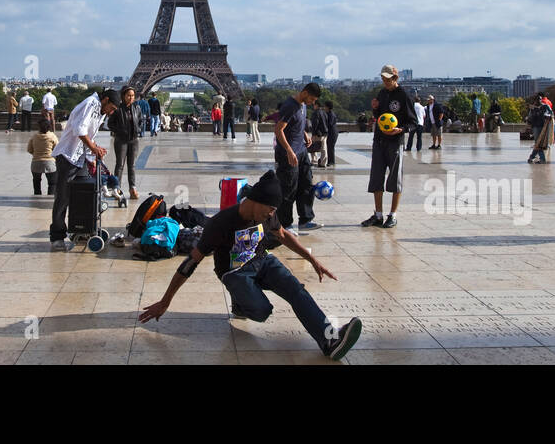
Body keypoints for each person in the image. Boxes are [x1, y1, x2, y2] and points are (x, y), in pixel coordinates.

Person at [139, 170, 363, 360]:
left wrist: (312, 259)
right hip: (234, 272)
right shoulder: (220, 223)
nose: (272, 214)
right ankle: (240, 303)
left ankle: (329, 341)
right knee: (262, 311)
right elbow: (191, 262)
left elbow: (283, 235)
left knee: (296, 290)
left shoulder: (267, 214)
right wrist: (165, 301)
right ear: (256, 202)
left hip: (262, 260)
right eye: (270, 209)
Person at [48, 89, 120, 250]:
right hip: (67, 156)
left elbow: (89, 136)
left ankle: (81, 229)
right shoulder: (90, 104)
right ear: (105, 100)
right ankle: (57, 236)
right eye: (112, 108)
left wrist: (93, 154)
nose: (112, 112)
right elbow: (79, 130)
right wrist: (93, 149)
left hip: (80, 158)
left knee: (83, 195)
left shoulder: (100, 110)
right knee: (63, 198)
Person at [362, 65, 413, 228]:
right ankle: (378, 214)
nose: (385, 82)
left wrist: (401, 130)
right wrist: (375, 109)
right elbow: (379, 116)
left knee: (395, 178)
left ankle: (393, 214)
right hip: (379, 141)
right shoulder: (382, 93)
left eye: (388, 79)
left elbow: (414, 122)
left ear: (395, 78)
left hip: (395, 142)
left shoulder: (404, 95)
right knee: (376, 177)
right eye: (383, 79)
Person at [272, 83, 322, 233]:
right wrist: (288, 151)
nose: (312, 102)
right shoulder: (290, 106)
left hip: (301, 151)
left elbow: (297, 124)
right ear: (305, 93)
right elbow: (278, 130)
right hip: (289, 154)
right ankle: (285, 224)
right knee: (288, 189)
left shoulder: (302, 104)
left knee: (306, 185)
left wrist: (305, 134)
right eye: (312, 99)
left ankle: (305, 219)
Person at [108, 87, 141, 200]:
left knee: (132, 166)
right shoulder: (117, 109)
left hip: (134, 140)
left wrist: (138, 130)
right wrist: (119, 131)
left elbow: (140, 121)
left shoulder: (137, 107)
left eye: (132, 95)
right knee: (120, 165)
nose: (131, 97)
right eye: (128, 95)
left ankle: (132, 188)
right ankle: (117, 188)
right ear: (123, 96)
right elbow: (110, 123)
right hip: (121, 140)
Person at [27, 116, 58, 195]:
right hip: (50, 163)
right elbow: (57, 150)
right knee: (52, 183)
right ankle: (49, 198)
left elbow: (29, 149)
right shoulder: (52, 136)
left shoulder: (34, 137)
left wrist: (36, 154)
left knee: (36, 182)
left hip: (36, 162)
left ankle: (37, 197)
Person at [527, 94, 554, 163]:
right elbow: (530, 117)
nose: (538, 101)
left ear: (541, 99)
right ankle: (537, 158)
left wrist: (548, 115)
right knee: (538, 143)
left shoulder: (545, 106)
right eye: (536, 100)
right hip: (535, 126)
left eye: (539, 99)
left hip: (543, 127)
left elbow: (551, 113)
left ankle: (536, 158)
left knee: (539, 143)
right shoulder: (533, 108)